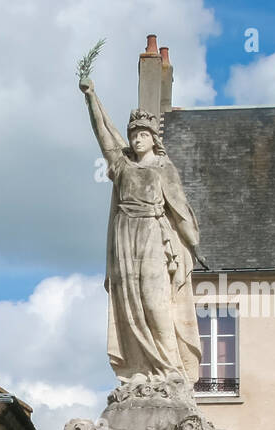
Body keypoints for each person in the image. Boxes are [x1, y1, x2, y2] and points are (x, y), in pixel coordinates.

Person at [79, 76, 203, 384]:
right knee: (128, 306)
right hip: (124, 237)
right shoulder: (122, 167)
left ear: (153, 139)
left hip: (151, 233)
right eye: (133, 134)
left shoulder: (163, 168)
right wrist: (91, 97)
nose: (136, 139)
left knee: (153, 300)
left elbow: (181, 211)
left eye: (142, 134)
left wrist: (192, 246)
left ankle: (172, 370)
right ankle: (141, 370)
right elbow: (104, 134)